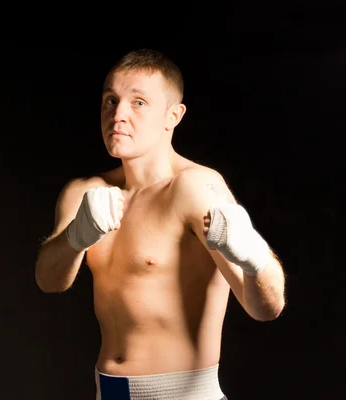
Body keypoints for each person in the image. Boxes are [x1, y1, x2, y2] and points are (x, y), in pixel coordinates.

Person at [34, 48, 286, 400]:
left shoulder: (194, 188)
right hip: (107, 392)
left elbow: (266, 308)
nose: (118, 114)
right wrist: (75, 238)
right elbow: (48, 280)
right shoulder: (85, 192)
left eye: (139, 103)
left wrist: (255, 259)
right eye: (111, 100)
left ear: (173, 116)